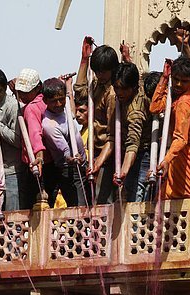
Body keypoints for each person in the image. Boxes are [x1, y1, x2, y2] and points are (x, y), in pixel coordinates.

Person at [150, 57, 190, 199]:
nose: (179, 84)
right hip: (183, 155)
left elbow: (180, 138)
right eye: (176, 79)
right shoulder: (183, 92)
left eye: (184, 81)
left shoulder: (185, 103)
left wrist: (166, 160)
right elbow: (155, 107)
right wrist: (164, 78)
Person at [74, 37, 119, 204]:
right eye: (97, 71)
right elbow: (80, 92)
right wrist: (84, 60)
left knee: (103, 200)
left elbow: (113, 136)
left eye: (103, 71)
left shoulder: (113, 93)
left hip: (109, 154)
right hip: (95, 152)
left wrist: (99, 163)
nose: (99, 75)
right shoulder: (97, 85)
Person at [0, 68, 29, 210]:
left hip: (12, 172)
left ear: (4, 89)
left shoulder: (13, 107)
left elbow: (18, 140)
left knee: (13, 218)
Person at [41, 77, 89, 207]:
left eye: (61, 99)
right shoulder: (48, 124)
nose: (58, 104)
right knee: (80, 208)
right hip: (69, 169)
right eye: (53, 101)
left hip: (84, 165)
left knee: (91, 205)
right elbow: (65, 150)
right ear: (45, 101)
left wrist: (69, 85)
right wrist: (71, 158)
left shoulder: (65, 108)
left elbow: (71, 113)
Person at [111, 62, 152, 202]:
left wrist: (123, 172)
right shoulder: (137, 85)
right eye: (116, 87)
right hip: (132, 154)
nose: (119, 92)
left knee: (137, 196)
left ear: (133, 87)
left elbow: (133, 144)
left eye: (123, 88)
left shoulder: (135, 111)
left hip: (143, 153)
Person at [15, 67, 48, 204]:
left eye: (26, 92)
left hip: (34, 163)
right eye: (20, 92)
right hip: (49, 162)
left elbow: (35, 134)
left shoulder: (31, 108)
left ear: (37, 88)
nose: (22, 95)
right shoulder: (45, 102)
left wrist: (38, 156)